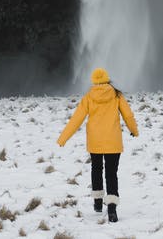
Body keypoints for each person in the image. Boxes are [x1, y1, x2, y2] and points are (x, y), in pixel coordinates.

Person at [57, 67, 139, 223]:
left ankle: (97, 202)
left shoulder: (89, 97)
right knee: (111, 173)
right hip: (113, 142)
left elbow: (76, 119)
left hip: (95, 142)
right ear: (108, 79)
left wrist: (63, 138)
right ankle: (112, 208)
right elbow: (128, 115)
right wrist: (134, 130)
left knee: (96, 169)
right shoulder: (117, 95)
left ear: (94, 81)